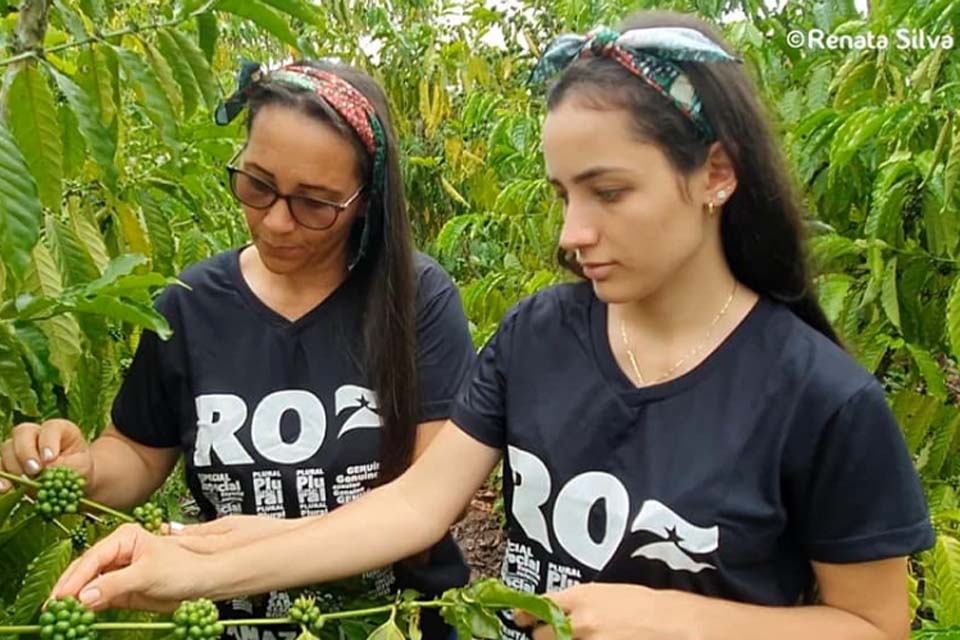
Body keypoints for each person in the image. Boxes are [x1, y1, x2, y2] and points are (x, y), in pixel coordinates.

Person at [52, 11, 934, 640]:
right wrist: (197, 563)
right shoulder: (539, 335)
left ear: (716, 174)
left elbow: (873, 624)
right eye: (562, 194)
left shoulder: (821, 400)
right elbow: (412, 506)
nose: (571, 233)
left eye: (608, 192)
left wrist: (679, 620)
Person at [1, 59, 475, 639]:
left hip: (393, 623)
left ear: (365, 200)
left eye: (315, 203)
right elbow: (139, 452)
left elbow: (433, 496)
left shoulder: (415, 300)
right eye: (257, 185)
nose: (276, 222)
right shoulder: (192, 304)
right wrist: (84, 469)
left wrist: (226, 560)